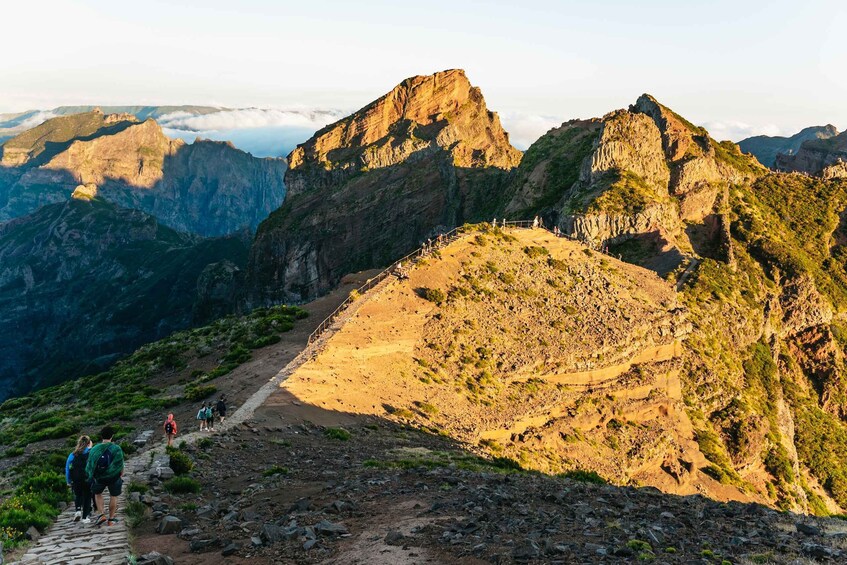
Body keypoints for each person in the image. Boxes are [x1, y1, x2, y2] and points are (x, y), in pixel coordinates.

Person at [86, 426, 125, 527]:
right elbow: (120, 464)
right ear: (112, 436)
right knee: (114, 496)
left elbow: (90, 465)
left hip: (99, 477)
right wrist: (120, 474)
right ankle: (111, 520)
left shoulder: (94, 449)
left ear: (101, 436)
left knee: (97, 493)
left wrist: (92, 475)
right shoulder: (116, 449)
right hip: (114, 477)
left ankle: (102, 515)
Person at [66, 435, 93, 524]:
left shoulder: (72, 454)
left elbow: (68, 468)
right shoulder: (90, 452)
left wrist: (68, 480)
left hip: (76, 479)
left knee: (78, 495)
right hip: (87, 478)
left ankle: (78, 510)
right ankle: (85, 517)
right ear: (88, 443)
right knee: (87, 497)